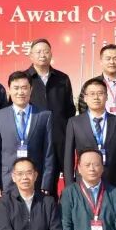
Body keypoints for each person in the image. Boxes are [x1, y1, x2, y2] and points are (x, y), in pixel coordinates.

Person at [0, 71, 54, 196]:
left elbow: (48, 152)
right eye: (16, 88)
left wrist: (46, 183)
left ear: (31, 89)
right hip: (7, 180)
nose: (20, 92)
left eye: (24, 88)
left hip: (35, 179)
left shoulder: (44, 115)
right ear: (9, 90)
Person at [63, 78, 116, 190]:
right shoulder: (74, 123)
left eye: (100, 93)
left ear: (106, 96)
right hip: (83, 183)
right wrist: (70, 187)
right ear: (85, 98)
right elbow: (68, 157)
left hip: (113, 183)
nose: (96, 97)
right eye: (92, 94)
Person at [26, 38, 75, 181]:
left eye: (46, 51)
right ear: (31, 56)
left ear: (51, 54)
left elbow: (69, 110)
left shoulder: (62, 78)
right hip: (31, 138)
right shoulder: (24, 78)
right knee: (32, 178)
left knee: (54, 181)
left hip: (58, 139)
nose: (42, 55)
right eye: (38, 52)